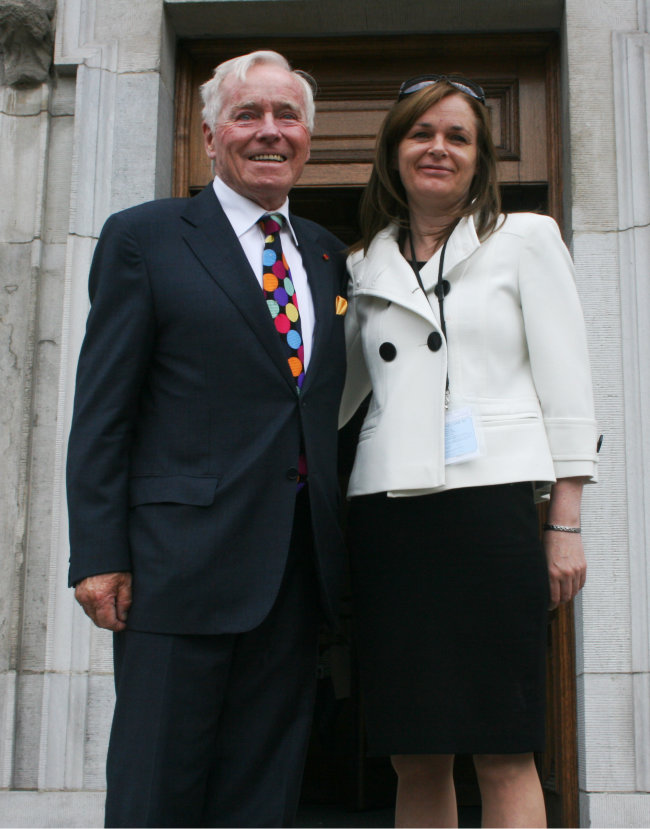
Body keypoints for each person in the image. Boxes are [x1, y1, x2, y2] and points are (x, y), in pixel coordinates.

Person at [66, 50, 348, 828]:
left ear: (308, 138)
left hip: (292, 574)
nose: (269, 132)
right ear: (209, 132)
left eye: (286, 116)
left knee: (263, 791)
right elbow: (103, 408)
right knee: (158, 786)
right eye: (248, 114)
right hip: (173, 568)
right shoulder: (144, 238)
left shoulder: (325, 254)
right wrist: (98, 552)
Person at [339, 74, 599, 828]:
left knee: (503, 743)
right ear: (393, 151)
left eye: (457, 136)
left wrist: (566, 524)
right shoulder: (362, 265)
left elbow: (569, 386)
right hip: (391, 517)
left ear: (481, 157)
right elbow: (334, 402)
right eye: (421, 133)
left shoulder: (525, 238)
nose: (438, 149)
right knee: (414, 748)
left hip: (493, 512)